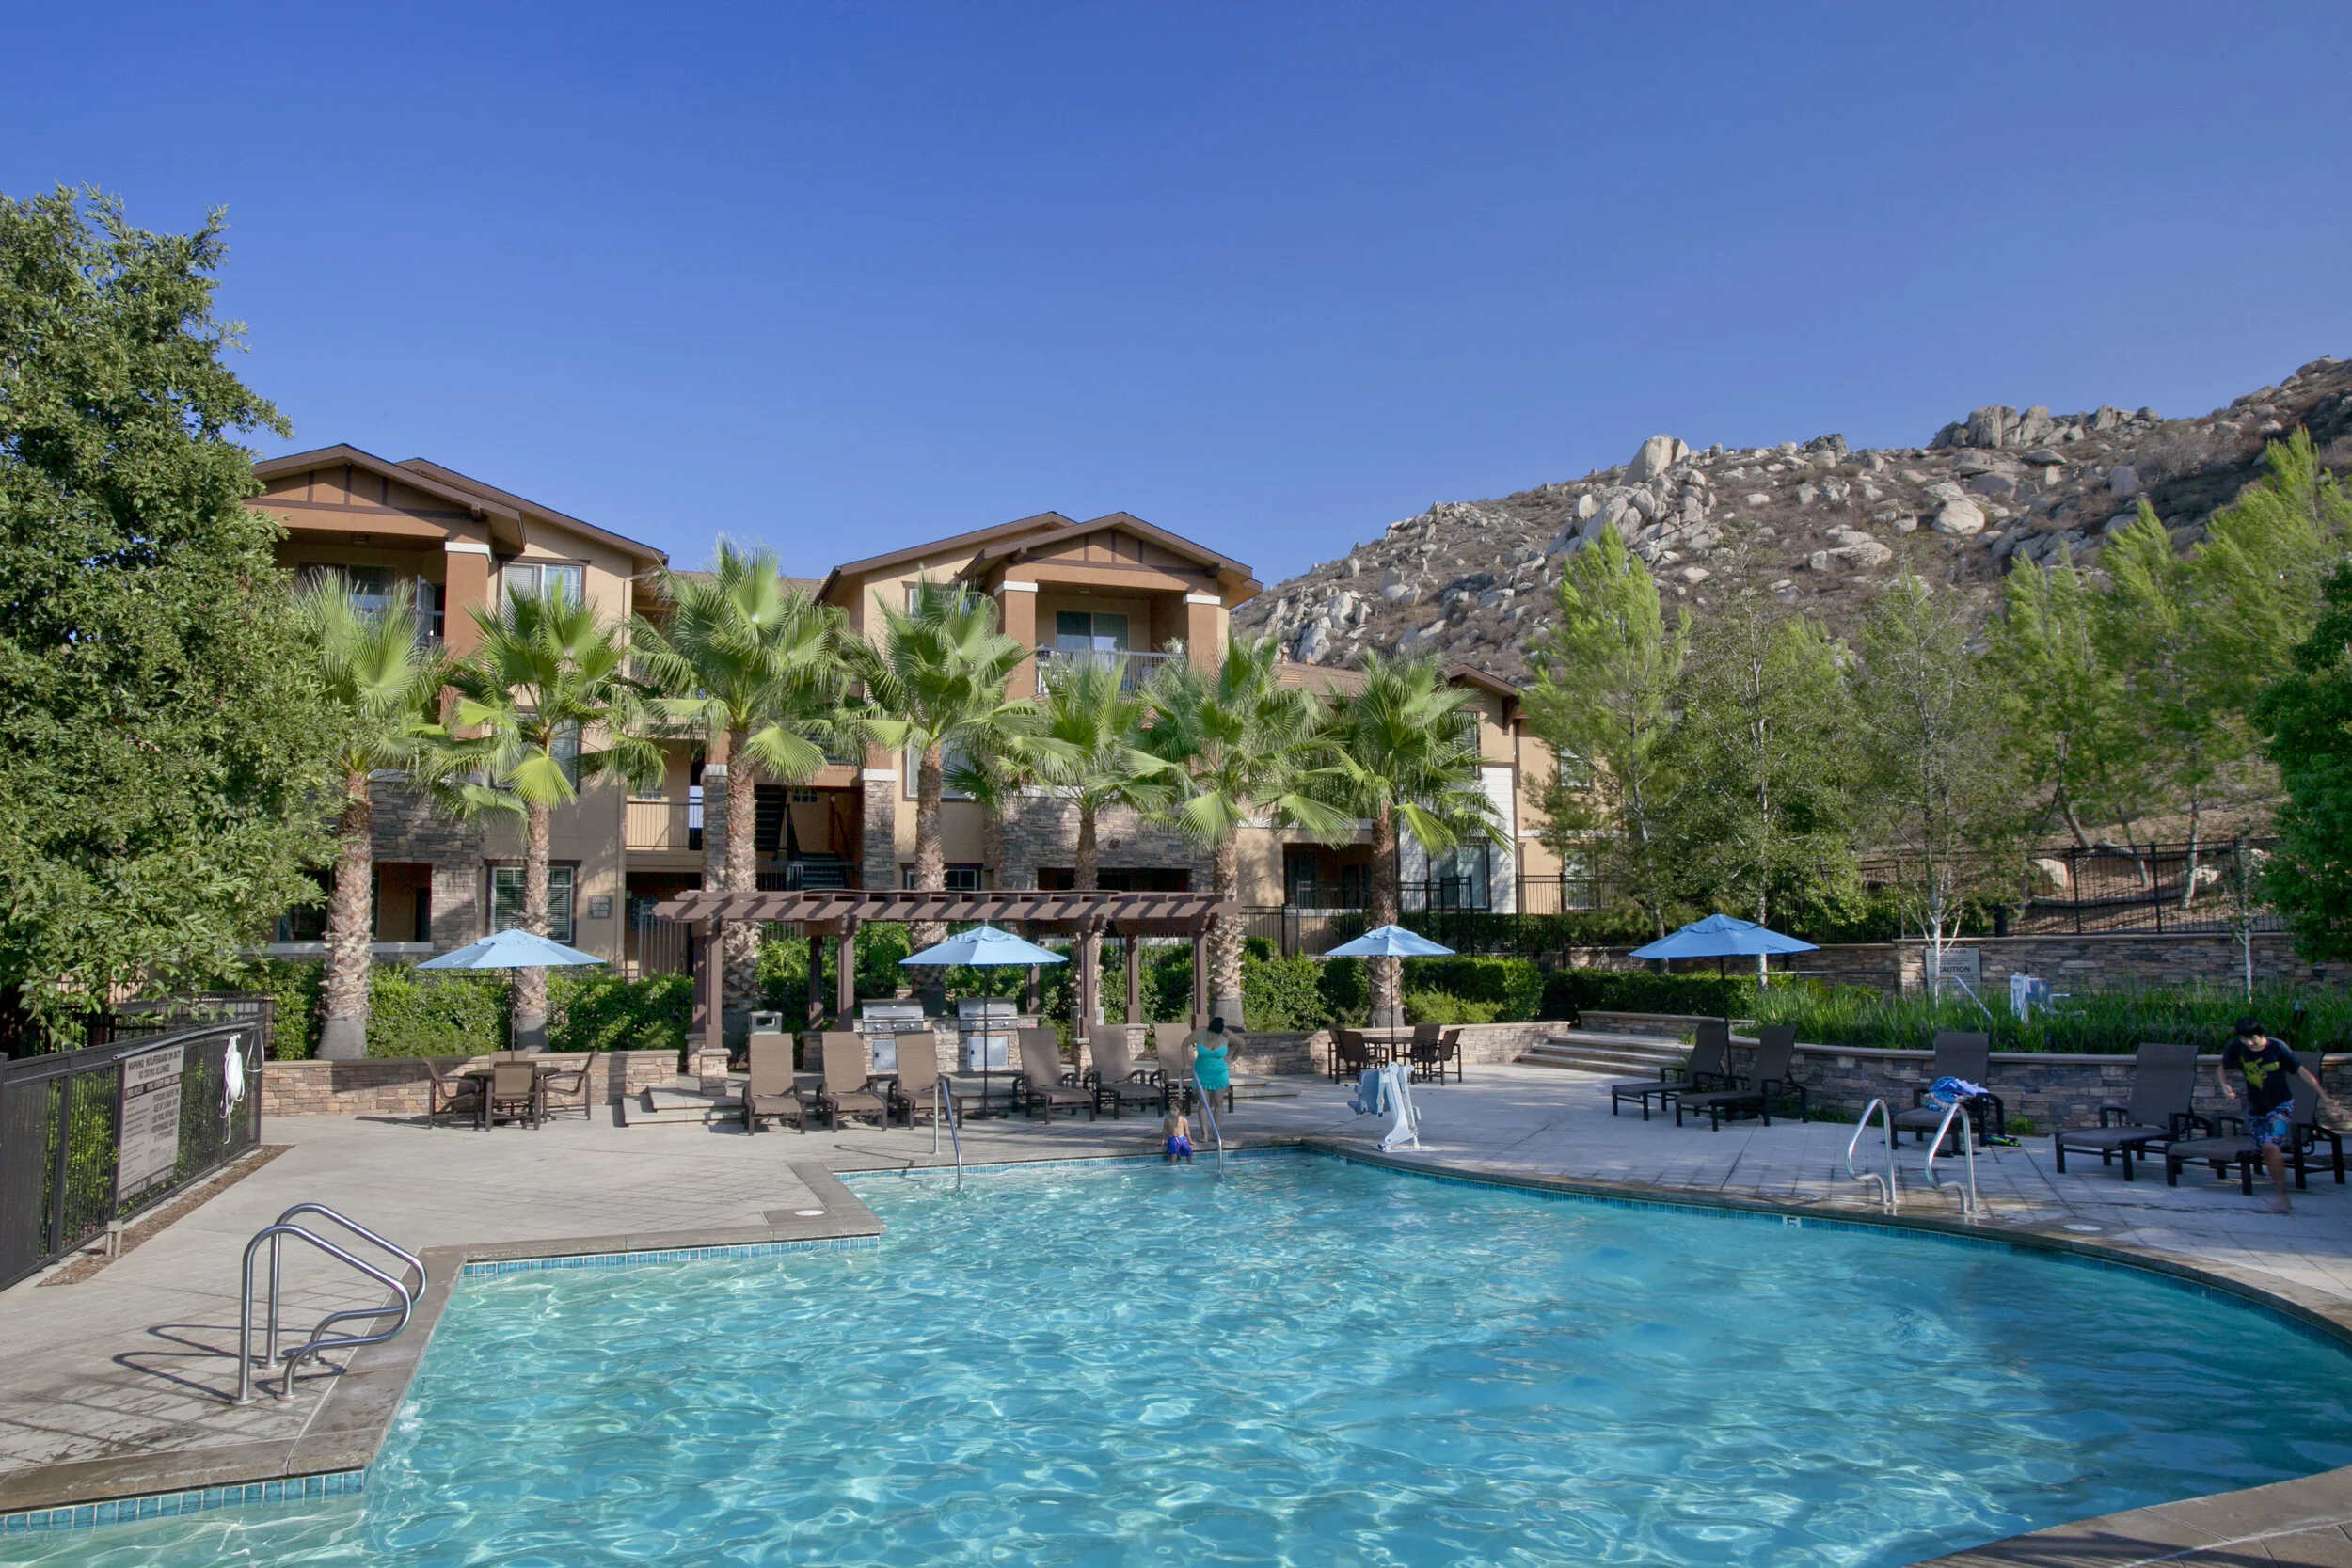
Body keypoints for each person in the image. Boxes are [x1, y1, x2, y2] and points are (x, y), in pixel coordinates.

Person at [2217, 1017, 2343, 1214]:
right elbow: (2221, 1067)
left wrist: (2325, 1098)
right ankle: (2281, 1192)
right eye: (2244, 1039)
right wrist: (2224, 1085)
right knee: (2267, 1151)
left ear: (2261, 1034)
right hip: (2257, 1109)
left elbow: (2303, 1072)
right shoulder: (2236, 1047)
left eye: (2253, 1038)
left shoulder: (2277, 1048)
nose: (2249, 1043)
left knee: (2270, 1145)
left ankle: (2283, 1196)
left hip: (2282, 1106)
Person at [1188, 1016, 1233, 1125]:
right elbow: (1184, 1045)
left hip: (1219, 1075)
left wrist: (1233, 1059)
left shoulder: (1226, 1034)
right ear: (1209, 1030)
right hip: (1202, 1074)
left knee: (1219, 1103)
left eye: (1216, 1035)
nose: (1213, 1037)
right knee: (1203, 1103)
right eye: (1212, 1034)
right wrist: (1186, 1063)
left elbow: (1241, 1044)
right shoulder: (1199, 1033)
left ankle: (1216, 1132)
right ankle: (1204, 1133)